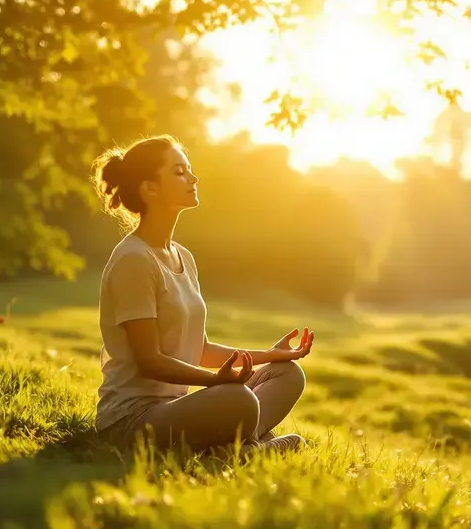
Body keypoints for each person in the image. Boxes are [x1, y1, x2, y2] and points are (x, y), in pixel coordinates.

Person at [90, 134, 313, 457]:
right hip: (131, 420)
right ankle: (243, 447)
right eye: (179, 172)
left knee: (287, 375)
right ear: (150, 189)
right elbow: (149, 361)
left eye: (189, 169)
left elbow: (201, 349)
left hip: (177, 408)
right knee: (237, 399)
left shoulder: (183, 257)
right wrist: (216, 383)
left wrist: (270, 355)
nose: (193, 178)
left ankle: (234, 446)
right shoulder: (133, 260)